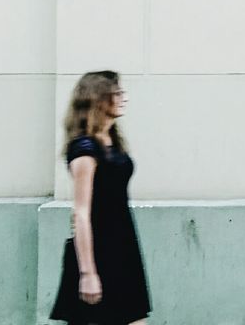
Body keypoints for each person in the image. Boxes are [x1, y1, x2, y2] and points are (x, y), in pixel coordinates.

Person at [50, 70, 151, 325]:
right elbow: (81, 213)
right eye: (117, 93)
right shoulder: (85, 149)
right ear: (98, 98)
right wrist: (87, 272)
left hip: (123, 246)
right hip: (97, 252)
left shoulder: (111, 143)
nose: (123, 98)